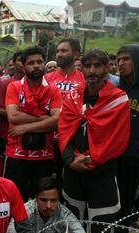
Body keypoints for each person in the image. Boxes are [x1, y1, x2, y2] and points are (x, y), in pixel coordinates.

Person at [58, 48, 130, 233]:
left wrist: (89, 161)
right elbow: (65, 128)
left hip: (101, 174)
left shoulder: (119, 99)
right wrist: (70, 160)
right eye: (87, 66)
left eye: (97, 66)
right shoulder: (72, 96)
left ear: (106, 68)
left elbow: (117, 140)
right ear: (81, 68)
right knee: (73, 225)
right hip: (74, 172)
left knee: (100, 228)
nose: (92, 71)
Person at [4, 46, 61, 201]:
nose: (36, 65)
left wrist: (26, 127)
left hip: (44, 157)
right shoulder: (14, 87)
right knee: (14, 202)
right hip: (16, 155)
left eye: (39, 61)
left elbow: (57, 121)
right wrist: (43, 119)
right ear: (23, 66)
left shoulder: (53, 90)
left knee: (44, 203)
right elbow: (13, 116)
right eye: (31, 62)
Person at [111, 44, 139, 233]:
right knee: (103, 205)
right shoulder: (114, 87)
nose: (121, 63)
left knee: (127, 204)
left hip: (135, 157)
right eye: (119, 59)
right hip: (110, 155)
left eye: (126, 59)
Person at [46, 38, 86, 184]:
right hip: (49, 140)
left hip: (72, 141)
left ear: (76, 54)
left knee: (68, 182)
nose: (59, 54)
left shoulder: (84, 79)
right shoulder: (47, 78)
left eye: (64, 50)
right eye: (57, 51)